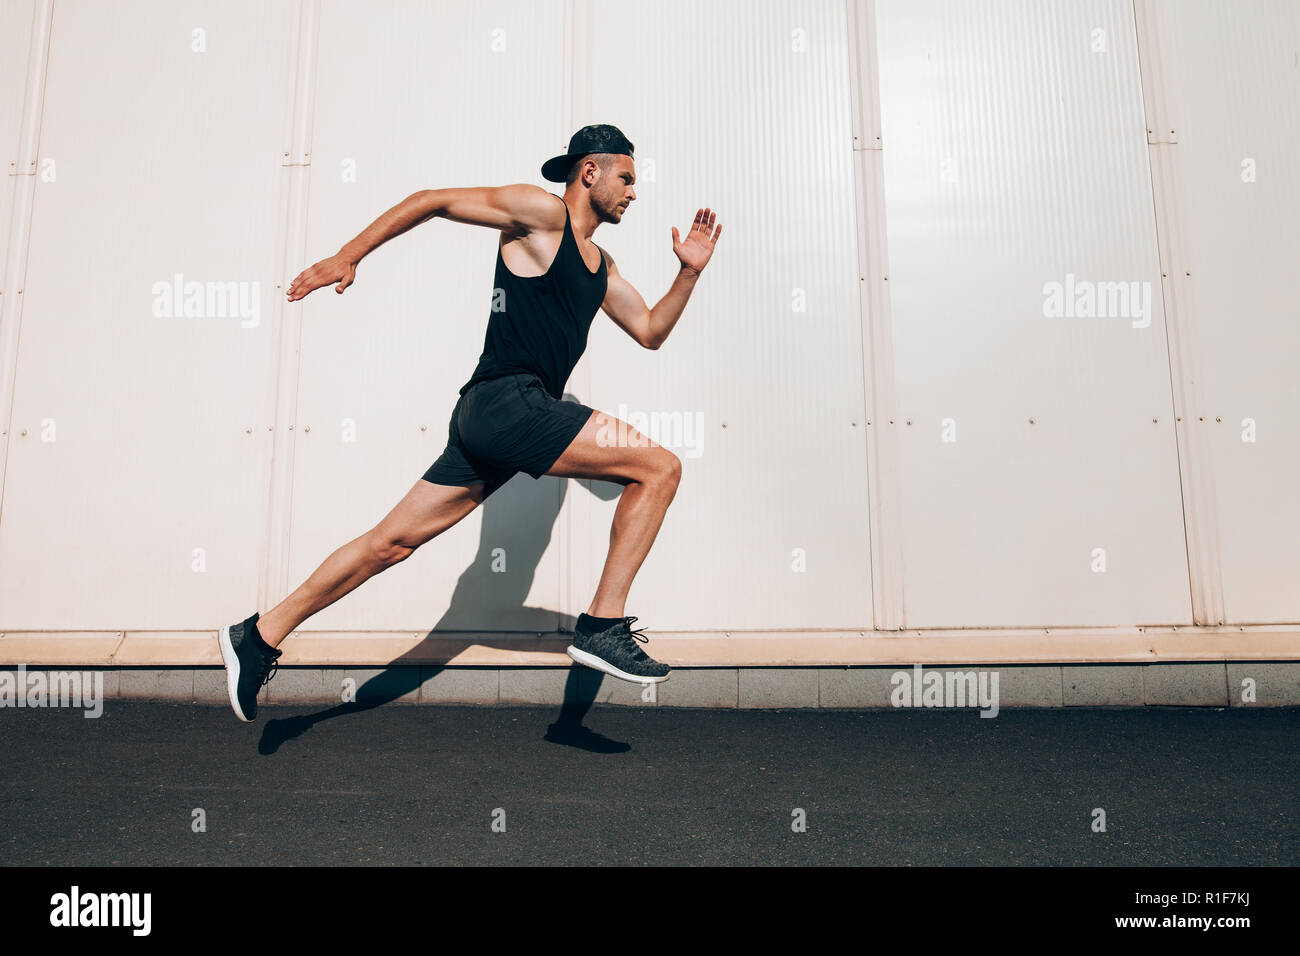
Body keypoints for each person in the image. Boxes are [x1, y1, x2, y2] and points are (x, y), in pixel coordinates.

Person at [218, 124, 721, 722]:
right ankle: (602, 625)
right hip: (510, 402)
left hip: (493, 416)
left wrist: (688, 272)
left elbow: (651, 331)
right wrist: (345, 257)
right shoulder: (541, 214)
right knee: (659, 468)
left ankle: (257, 635)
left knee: (390, 543)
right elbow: (432, 200)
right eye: (627, 178)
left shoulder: (600, 266)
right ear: (590, 171)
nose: (634, 193)